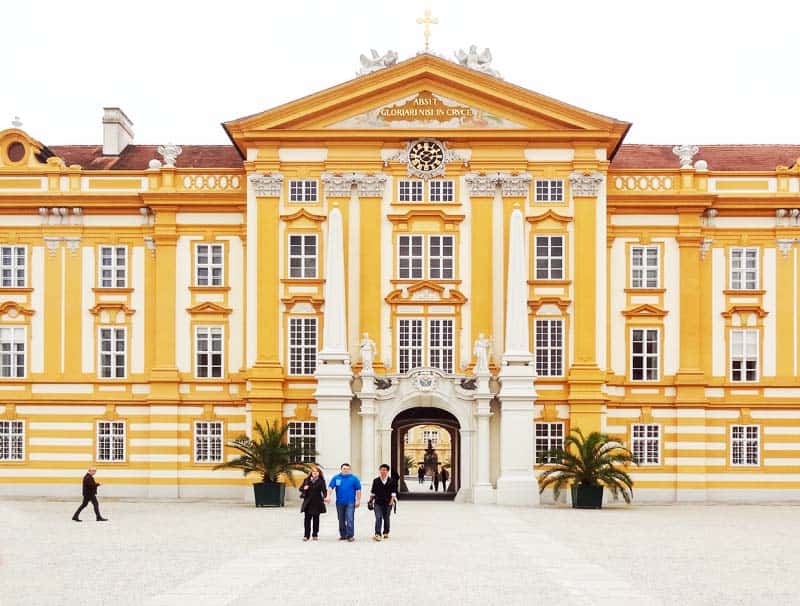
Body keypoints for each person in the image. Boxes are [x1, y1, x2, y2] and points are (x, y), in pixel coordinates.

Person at [325, 463, 362, 542]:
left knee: (350, 519)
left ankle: (350, 535)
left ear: (350, 470)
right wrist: (328, 496)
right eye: (344, 469)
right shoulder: (336, 478)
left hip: (350, 502)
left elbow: (358, 490)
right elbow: (330, 487)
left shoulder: (354, 478)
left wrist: (358, 500)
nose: (346, 470)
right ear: (341, 469)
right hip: (340, 502)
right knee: (341, 519)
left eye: (347, 469)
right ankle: (343, 535)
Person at [369, 464, 397, 541]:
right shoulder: (376, 480)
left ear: (387, 471)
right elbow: (373, 492)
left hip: (388, 502)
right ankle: (377, 534)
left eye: (385, 470)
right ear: (379, 470)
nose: (383, 471)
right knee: (378, 517)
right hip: (378, 502)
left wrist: (391, 501)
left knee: (386, 518)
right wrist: (370, 500)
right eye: (382, 470)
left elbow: (394, 492)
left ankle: (386, 532)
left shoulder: (392, 481)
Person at [299, 466, 327, 541]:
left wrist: (325, 497)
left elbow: (324, 491)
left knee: (316, 519)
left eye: (316, 472)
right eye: (313, 471)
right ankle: (306, 535)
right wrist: (304, 488)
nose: (315, 473)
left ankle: (315, 534)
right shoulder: (306, 480)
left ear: (319, 473)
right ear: (311, 473)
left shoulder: (321, 481)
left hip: (317, 502)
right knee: (307, 520)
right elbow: (300, 488)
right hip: (308, 502)